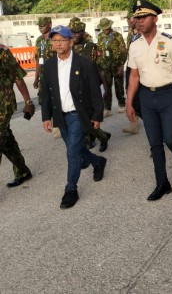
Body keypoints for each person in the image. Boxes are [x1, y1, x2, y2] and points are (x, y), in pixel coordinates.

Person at [126, 0, 172, 201]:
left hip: (168, 95)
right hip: (146, 97)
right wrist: (129, 103)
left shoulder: (170, 41)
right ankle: (162, 183)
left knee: (170, 139)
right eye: (137, 17)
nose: (139, 21)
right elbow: (134, 76)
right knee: (154, 143)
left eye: (143, 17)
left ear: (155, 19)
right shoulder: (134, 45)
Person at [41, 25, 107, 209]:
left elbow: (96, 91)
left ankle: (71, 189)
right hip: (60, 116)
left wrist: (97, 115)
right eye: (55, 40)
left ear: (71, 42)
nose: (58, 43)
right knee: (75, 149)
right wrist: (46, 116)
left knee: (71, 153)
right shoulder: (49, 64)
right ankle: (98, 161)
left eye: (62, 40)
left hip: (79, 114)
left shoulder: (84, 63)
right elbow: (45, 92)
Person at [68, 18, 111, 153]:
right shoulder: (68, 48)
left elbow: (101, 69)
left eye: (77, 32)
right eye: (72, 32)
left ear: (83, 32)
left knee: (90, 116)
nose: (74, 35)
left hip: (90, 87)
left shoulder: (92, 47)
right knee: (81, 116)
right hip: (74, 88)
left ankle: (102, 137)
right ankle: (93, 137)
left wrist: (106, 87)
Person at [0, 45, 35, 188]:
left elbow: (18, 78)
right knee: (6, 141)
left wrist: (28, 102)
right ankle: (22, 171)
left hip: (3, 105)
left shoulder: (2, 52)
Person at [33, 17, 60, 138]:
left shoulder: (55, 38)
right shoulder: (39, 40)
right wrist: (36, 77)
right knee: (45, 99)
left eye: (43, 25)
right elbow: (38, 59)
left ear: (50, 24)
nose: (40, 28)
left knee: (56, 98)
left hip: (55, 73)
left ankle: (58, 125)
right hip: (44, 76)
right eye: (39, 26)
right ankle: (52, 121)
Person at [96, 17, 127, 117]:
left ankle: (121, 104)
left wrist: (121, 65)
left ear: (110, 26)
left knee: (119, 86)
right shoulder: (100, 37)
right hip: (105, 66)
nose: (105, 30)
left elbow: (123, 51)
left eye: (107, 28)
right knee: (107, 87)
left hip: (116, 65)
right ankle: (107, 108)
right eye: (103, 28)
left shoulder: (117, 36)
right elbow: (99, 50)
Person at [122, 11, 141, 135]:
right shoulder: (131, 34)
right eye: (127, 19)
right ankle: (133, 124)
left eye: (130, 19)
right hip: (131, 65)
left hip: (142, 67)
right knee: (130, 92)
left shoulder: (143, 32)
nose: (128, 21)